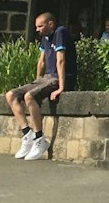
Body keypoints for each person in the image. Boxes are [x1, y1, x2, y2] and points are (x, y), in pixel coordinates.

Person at [6, 12, 77, 160]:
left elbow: (61, 61)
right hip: (45, 78)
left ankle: (40, 139)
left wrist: (61, 87)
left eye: (40, 26)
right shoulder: (45, 37)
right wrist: (37, 81)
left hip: (59, 77)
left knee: (29, 96)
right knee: (11, 95)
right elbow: (41, 61)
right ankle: (27, 134)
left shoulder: (60, 32)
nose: (37, 29)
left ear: (50, 24)